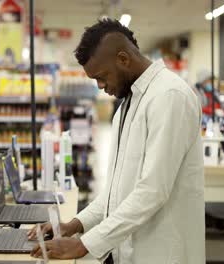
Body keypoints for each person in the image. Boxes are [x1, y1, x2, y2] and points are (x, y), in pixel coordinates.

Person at [28, 18, 205, 263]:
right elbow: (117, 191)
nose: (100, 86)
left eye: (101, 77)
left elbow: (153, 191)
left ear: (123, 59)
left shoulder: (168, 96)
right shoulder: (128, 105)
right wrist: (76, 224)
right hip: (127, 250)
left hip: (161, 253)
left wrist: (83, 244)